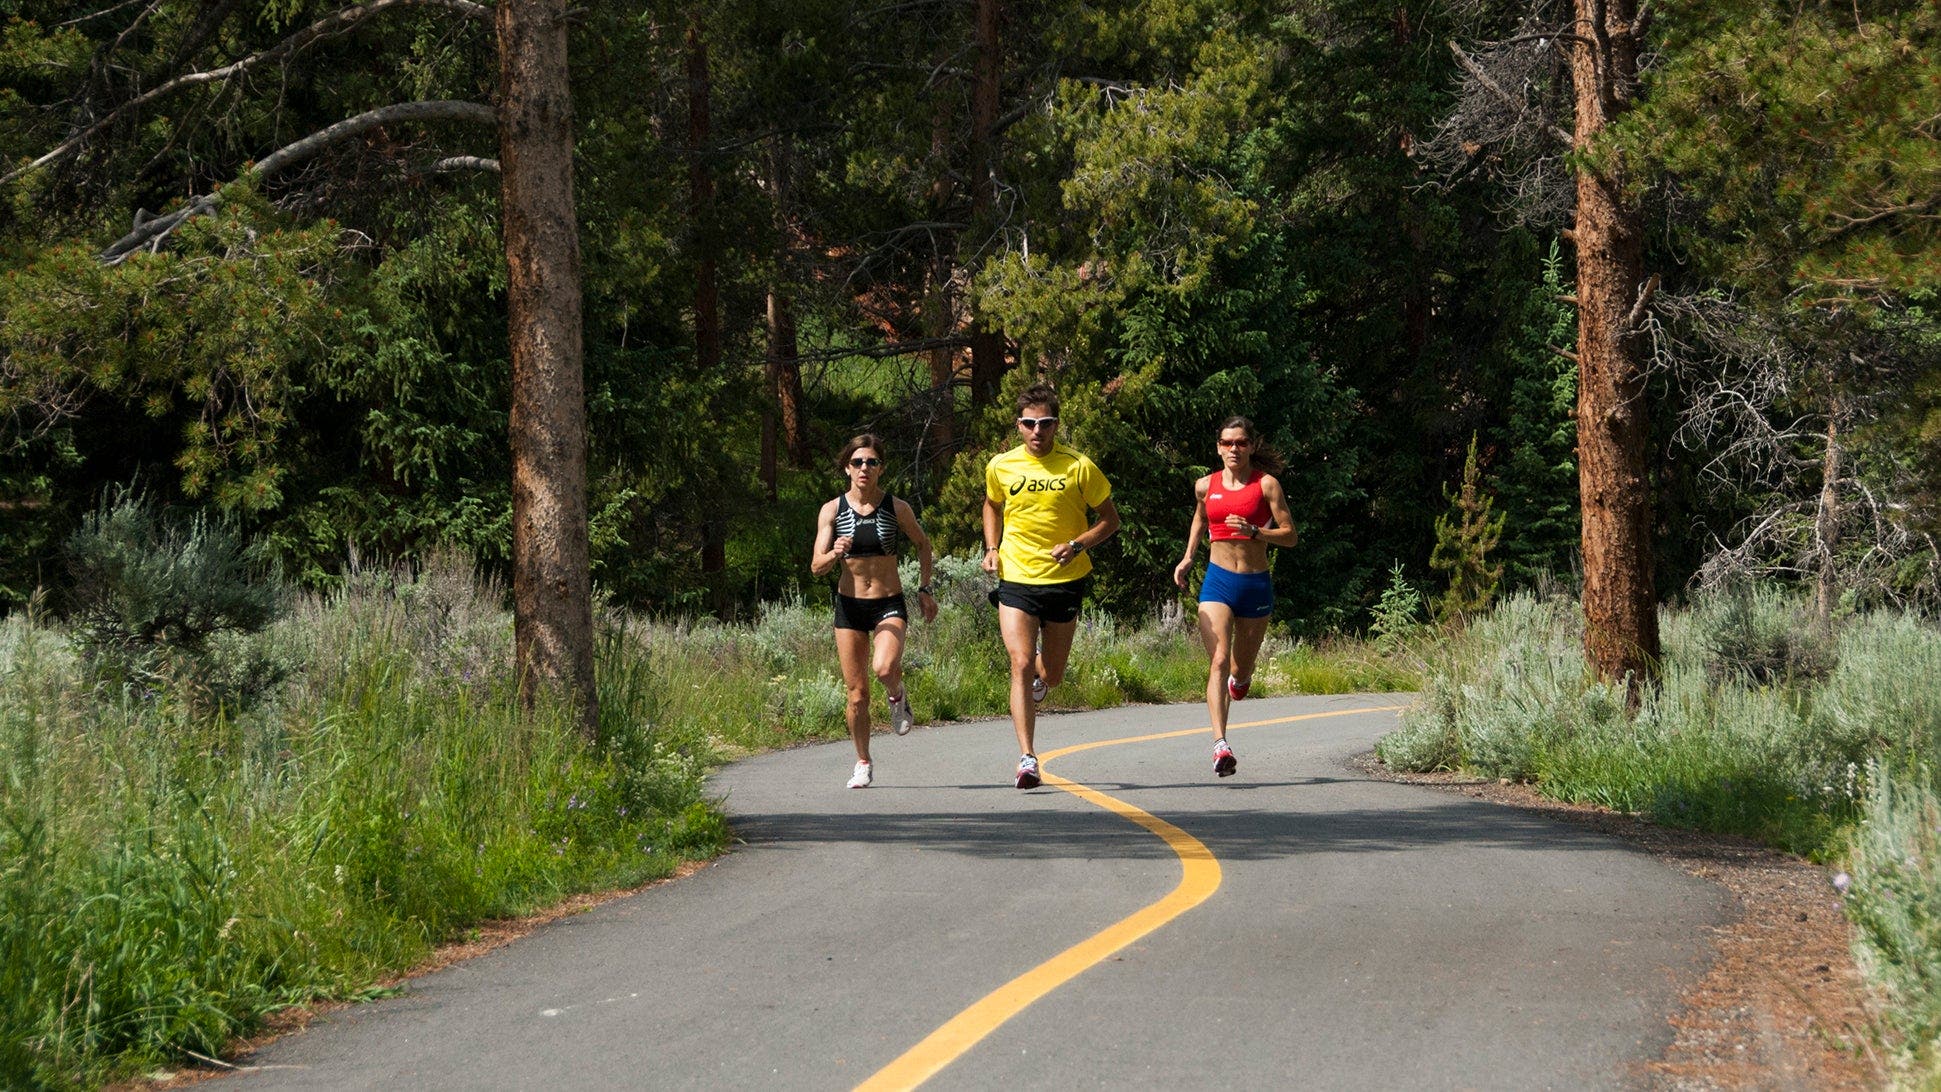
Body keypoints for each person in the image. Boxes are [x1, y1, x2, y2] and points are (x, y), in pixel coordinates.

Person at [982, 383, 1120, 789]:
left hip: (1064, 579)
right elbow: (992, 504)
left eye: (1044, 423)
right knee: (1020, 663)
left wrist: (1077, 545)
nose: (1037, 431)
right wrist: (992, 547)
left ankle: (1046, 679)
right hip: (1017, 577)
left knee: (1053, 674)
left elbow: (1110, 520)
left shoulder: (1079, 466)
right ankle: (1027, 757)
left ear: (1056, 425)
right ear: (1018, 426)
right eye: (1029, 423)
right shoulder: (1001, 465)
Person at [1171, 416, 1298, 777]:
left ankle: (1239, 683)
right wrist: (1188, 556)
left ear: (1251, 446)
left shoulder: (1266, 485)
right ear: (1218, 447)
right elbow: (1200, 518)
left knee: (1240, 673)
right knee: (1219, 660)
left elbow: (1290, 535)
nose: (1233, 449)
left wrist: (1259, 533)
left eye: (1240, 443)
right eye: (1227, 443)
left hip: (1255, 583)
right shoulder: (1204, 485)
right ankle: (1220, 745)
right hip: (1218, 582)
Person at [812, 435, 938, 788]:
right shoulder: (832, 510)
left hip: (888, 603)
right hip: (849, 607)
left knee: (883, 668)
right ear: (846, 468)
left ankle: (897, 694)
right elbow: (816, 566)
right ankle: (863, 761)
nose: (864, 468)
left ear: (881, 468)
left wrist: (925, 588)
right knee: (857, 694)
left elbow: (923, 543)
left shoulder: (896, 508)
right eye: (857, 463)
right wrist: (834, 553)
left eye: (871, 462)